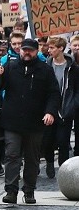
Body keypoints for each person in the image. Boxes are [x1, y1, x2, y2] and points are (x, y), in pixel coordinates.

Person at [0, 39, 60, 204]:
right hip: (12, 121)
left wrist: (50, 112)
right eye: (24, 50)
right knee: (12, 155)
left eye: (30, 50)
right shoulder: (10, 66)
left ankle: (29, 190)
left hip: (35, 122)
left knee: (32, 158)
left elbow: (54, 94)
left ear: (36, 51)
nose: (26, 53)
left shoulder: (45, 70)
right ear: (20, 51)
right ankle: (11, 190)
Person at [42, 36, 78, 177]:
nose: (49, 50)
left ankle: (64, 170)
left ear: (61, 48)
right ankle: (50, 163)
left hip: (65, 109)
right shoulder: (46, 66)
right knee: (48, 140)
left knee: (63, 142)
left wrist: (72, 106)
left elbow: (76, 89)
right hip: (49, 110)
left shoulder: (72, 68)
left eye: (52, 48)